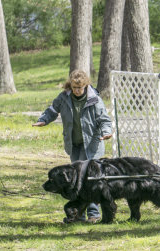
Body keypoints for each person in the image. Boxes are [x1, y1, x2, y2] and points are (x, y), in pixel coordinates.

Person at [32, 69, 112, 223]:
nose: (76, 91)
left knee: (91, 180)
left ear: (85, 85)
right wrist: (44, 120)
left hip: (92, 145)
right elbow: (52, 110)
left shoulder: (94, 99)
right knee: (76, 180)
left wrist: (107, 132)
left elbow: (104, 120)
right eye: (74, 88)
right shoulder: (64, 97)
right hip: (73, 144)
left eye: (79, 88)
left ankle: (94, 215)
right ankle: (78, 215)